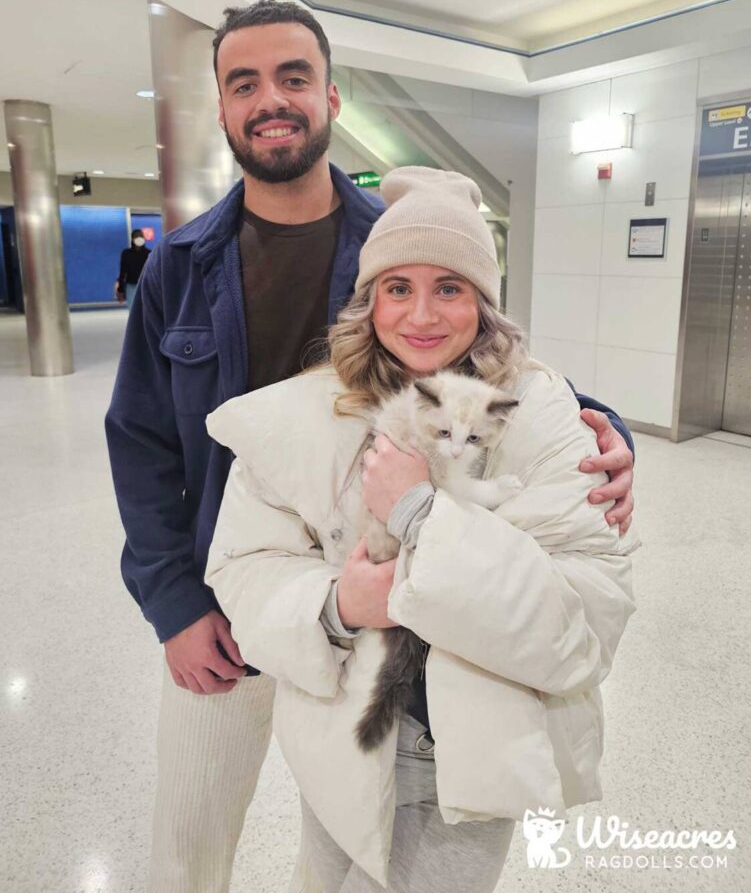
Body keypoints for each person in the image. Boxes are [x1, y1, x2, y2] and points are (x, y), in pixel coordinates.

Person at [105, 1, 635, 893]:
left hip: (385, 610)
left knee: (353, 841)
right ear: (225, 108)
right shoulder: (180, 262)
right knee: (188, 841)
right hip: (230, 598)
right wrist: (173, 605)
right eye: (245, 83)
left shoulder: (395, 237)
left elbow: (483, 365)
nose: (271, 99)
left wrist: (599, 422)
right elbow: (141, 441)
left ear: (332, 96)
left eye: (293, 77)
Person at [204, 165, 638, 893]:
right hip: (339, 730)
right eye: (397, 288)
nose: (422, 315)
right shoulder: (313, 412)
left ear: (485, 302)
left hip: (463, 754)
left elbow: (584, 621)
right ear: (370, 301)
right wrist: (338, 607)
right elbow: (247, 566)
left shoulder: (541, 413)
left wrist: (418, 515)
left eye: (451, 287)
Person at [116, 228, 150, 308]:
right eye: (136, 236)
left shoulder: (149, 253)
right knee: (132, 309)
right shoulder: (126, 254)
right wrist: (120, 289)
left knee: (146, 308)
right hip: (131, 285)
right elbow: (123, 271)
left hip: (145, 285)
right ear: (132, 238)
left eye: (141, 236)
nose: (139, 238)